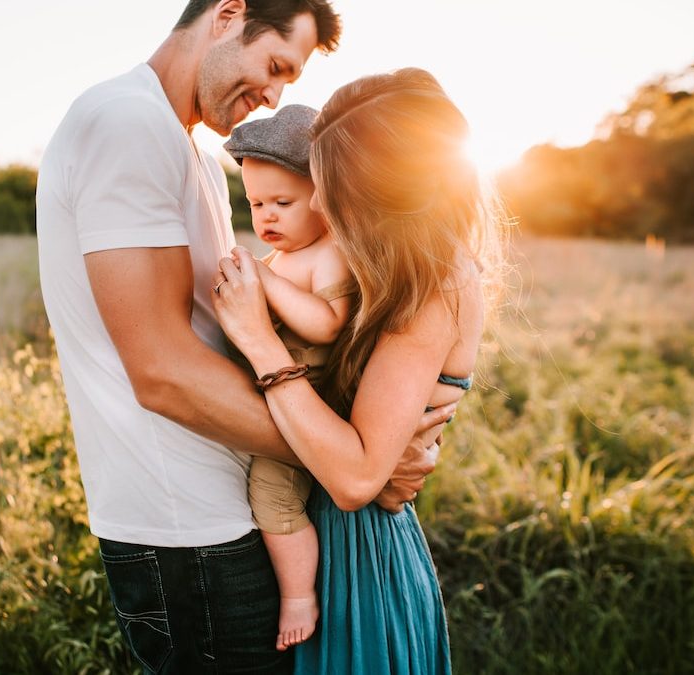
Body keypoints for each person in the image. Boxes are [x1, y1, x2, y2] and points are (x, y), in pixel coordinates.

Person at [35, 1, 457, 672]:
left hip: (232, 515)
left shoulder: (192, 154)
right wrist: (354, 461)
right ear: (228, 14)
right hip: (191, 530)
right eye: (274, 66)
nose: (274, 95)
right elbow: (163, 371)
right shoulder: (125, 124)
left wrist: (361, 452)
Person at [212, 67, 503, 674]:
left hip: (359, 559)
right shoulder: (385, 269)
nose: (318, 202)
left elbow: (355, 478)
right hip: (329, 537)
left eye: (330, 185)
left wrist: (260, 342)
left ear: (385, 192)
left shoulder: (435, 284)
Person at [223, 103, 355, 651]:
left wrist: (265, 283)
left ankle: (299, 595)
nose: (267, 217)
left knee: (272, 497)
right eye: (256, 204)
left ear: (324, 199)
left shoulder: (330, 255)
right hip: (276, 399)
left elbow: (327, 324)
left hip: (310, 411)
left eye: (283, 202)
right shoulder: (283, 258)